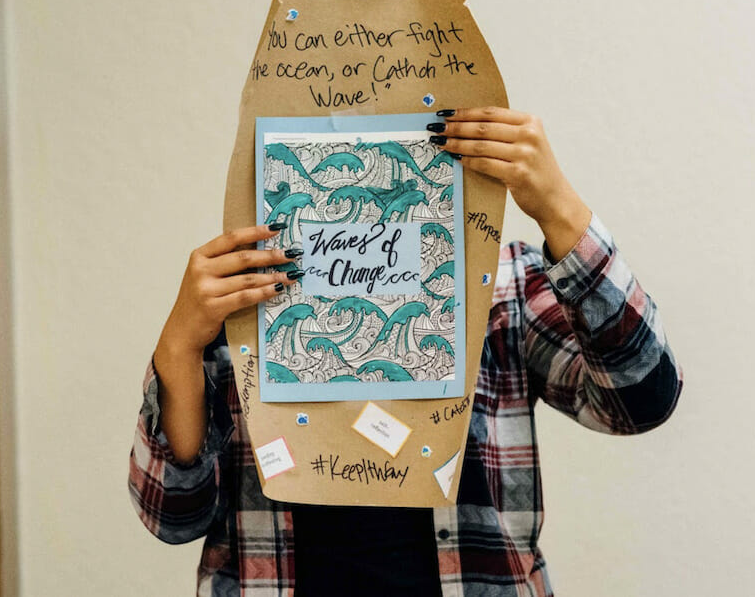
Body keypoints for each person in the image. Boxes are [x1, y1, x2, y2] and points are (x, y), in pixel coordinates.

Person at [128, 107, 683, 596]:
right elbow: (172, 515)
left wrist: (560, 207)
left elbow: (640, 400)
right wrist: (179, 346)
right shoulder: (249, 298)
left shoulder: (505, 288)